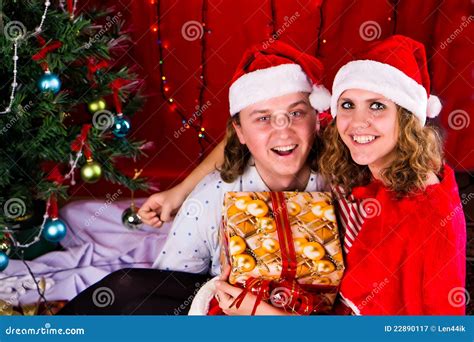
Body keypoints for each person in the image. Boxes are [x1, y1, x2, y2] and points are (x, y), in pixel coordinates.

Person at [59, 41, 331, 315]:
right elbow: (168, 282)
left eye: (296, 114)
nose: (283, 131)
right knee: (127, 287)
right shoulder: (212, 199)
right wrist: (184, 192)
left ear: (317, 119)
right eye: (263, 119)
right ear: (240, 132)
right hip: (223, 306)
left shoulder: (338, 181)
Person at [319, 35, 466, 315]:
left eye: (377, 106)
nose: (358, 122)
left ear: (407, 117)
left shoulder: (432, 212)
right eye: (348, 105)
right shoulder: (358, 166)